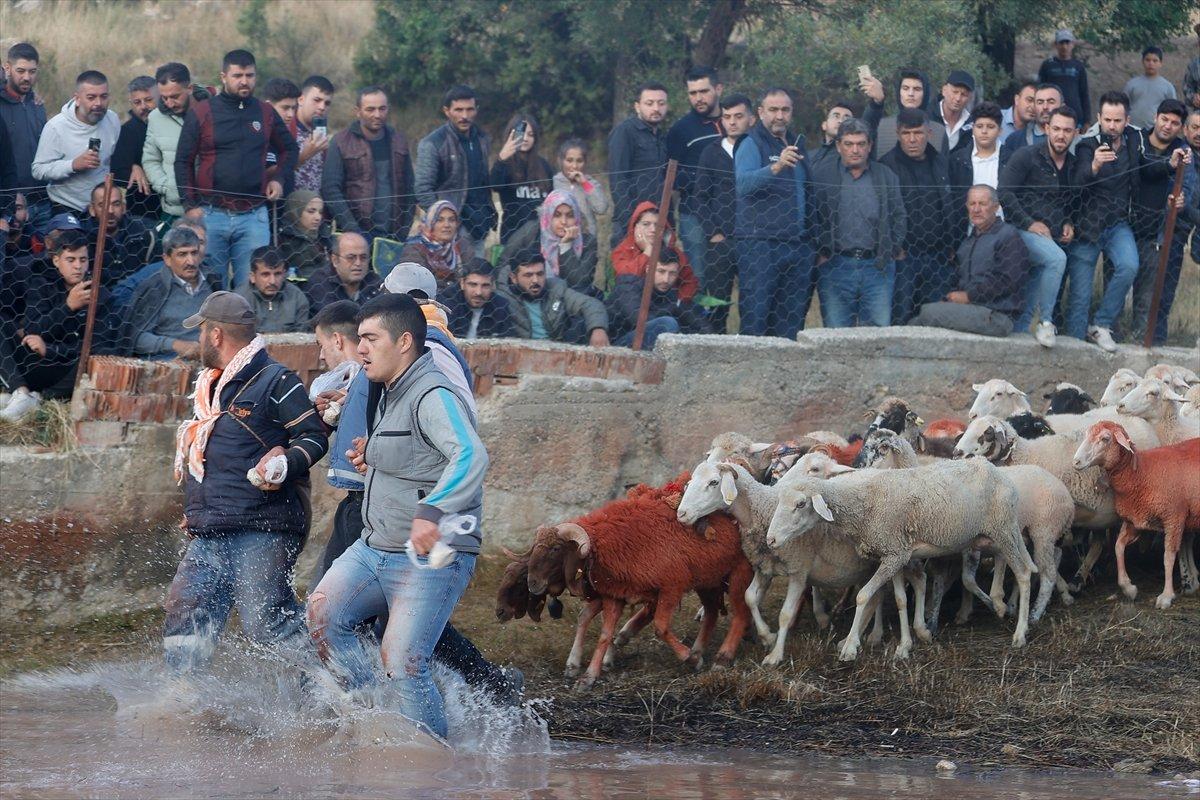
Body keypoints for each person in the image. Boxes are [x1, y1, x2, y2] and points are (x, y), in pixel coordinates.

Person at [307, 293, 487, 736]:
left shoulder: (432, 393)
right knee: (321, 614)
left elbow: (469, 455)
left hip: (430, 552)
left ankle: (426, 763)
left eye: (369, 338)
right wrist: (375, 457)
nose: (359, 348)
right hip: (375, 546)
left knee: (403, 661)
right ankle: (375, 717)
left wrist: (431, 511)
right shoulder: (389, 387)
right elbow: (417, 454)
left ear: (404, 341)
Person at [163, 290, 327, 674]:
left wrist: (285, 461)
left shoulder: (276, 380)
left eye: (202, 331)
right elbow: (212, 457)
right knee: (185, 608)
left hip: (264, 527)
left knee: (266, 624)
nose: (200, 339)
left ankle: (338, 694)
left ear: (215, 335)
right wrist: (197, 510)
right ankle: (184, 698)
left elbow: (314, 435)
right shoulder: (211, 389)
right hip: (214, 527)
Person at [175, 49, 298, 290]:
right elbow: (183, 161)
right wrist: (190, 206)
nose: (244, 81)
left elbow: (290, 149)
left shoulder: (265, 112)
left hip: (254, 215)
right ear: (224, 76)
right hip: (211, 214)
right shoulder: (202, 112)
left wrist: (279, 180)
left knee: (250, 288)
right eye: (237, 75)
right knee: (211, 284)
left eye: (249, 75)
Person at [0, 229, 110, 422]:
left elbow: (94, 346)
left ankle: (40, 400)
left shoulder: (100, 294)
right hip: (33, 361)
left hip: (64, 372)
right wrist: (67, 307)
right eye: (71, 260)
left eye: (83, 260)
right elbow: (32, 329)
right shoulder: (41, 283)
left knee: (93, 359)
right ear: (56, 261)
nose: (78, 266)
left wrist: (50, 350)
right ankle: (20, 391)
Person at [733, 87, 814, 338]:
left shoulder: (797, 144)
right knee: (756, 319)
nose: (780, 116)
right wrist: (776, 166)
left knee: (790, 323)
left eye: (785, 110)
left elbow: (807, 193)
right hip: (760, 245)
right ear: (760, 113)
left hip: (796, 245)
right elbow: (743, 185)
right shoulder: (750, 143)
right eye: (773, 110)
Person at [810, 118, 906, 328]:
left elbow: (899, 215)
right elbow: (812, 216)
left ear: (870, 146)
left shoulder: (885, 175)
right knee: (836, 335)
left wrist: (892, 248)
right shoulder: (822, 175)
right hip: (835, 265)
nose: (855, 150)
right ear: (838, 146)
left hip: (877, 267)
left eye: (861, 144)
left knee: (877, 335)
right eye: (849, 144)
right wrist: (820, 252)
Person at [1067, 91, 1142, 351]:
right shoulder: (1087, 145)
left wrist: (1172, 163)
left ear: (1127, 120)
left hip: (1118, 223)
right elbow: (1076, 184)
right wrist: (1095, 166)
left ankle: (1101, 324)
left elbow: (1153, 156)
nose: (1112, 126)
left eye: (1117, 120)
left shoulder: (1135, 139)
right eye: (1107, 120)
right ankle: (1074, 347)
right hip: (1088, 226)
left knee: (1129, 266)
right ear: (1099, 117)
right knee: (1080, 296)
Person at [999, 106, 1078, 347]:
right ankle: (1046, 323)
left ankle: (1022, 334)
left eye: (1067, 130)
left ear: (1075, 133)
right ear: (1046, 129)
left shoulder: (1073, 165)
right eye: (1056, 129)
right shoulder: (1027, 155)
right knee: (1056, 259)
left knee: (1035, 282)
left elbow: (1072, 202)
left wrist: (1068, 222)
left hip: (1049, 236)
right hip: (1018, 231)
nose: (1061, 135)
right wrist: (1029, 223)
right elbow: (1004, 192)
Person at [908, 185, 1029, 337]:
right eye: (972, 204)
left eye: (982, 204)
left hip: (997, 315)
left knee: (927, 313)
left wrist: (969, 296)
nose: (976, 209)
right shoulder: (967, 242)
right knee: (917, 321)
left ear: (996, 207)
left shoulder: (1008, 236)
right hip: (972, 310)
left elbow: (1009, 280)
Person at [880, 108, 956, 325]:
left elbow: (951, 204)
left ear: (929, 133)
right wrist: (895, 247)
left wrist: (950, 245)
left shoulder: (940, 162)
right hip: (904, 258)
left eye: (918, 133)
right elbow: (883, 212)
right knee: (900, 317)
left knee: (935, 319)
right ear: (897, 133)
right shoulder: (887, 166)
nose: (912, 140)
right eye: (906, 134)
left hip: (938, 257)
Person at [1129, 100, 1193, 345]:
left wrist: (1180, 199)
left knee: (1147, 293)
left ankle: (1139, 342)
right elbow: (1139, 169)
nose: (1168, 126)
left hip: (1155, 232)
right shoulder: (1138, 140)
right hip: (1127, 223)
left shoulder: (1183, 151)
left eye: (1175, 123)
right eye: (1165, 119)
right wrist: (1167, 164)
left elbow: (1185, 183)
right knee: (1118, 277)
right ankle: (1111, 333)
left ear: (1180, 127)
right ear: (1155, 117)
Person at [322, 86, 414, 243]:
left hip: (393, 236)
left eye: (382, 109)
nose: (377, 115)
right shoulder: (341, 142)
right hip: (355, 234)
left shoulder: (398, 140)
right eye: (370, 109)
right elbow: (331, 189)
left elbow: (410, 188)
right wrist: (353, 229)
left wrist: (404, 229)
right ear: (358, 111)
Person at [695, 93, 754, 332]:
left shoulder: (758, 149)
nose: (732, 122)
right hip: (721, 241)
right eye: (727, 116)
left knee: (752, 303)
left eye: (738, 116)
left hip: (754, 240)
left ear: (752, 118)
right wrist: (713, 233)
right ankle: (715, 348)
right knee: (717, 303)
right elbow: (700, 196)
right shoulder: (711, 152)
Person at [414, 85, 494, 248]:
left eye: (469, 109)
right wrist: (443, 220)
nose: (464, 116)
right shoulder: (433, 143)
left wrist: (489, 215)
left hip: (479, 224)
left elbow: (484, 183)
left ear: (476, 110)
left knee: (476, 272)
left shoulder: (482, 139)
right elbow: (422, 188)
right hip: (450, 228)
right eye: (458, 110)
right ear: (447, 111)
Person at [31, 70, 120, 216]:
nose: (98, 103)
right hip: (67, 207)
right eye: (91, 97)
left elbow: (112, 160)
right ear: (77, 98)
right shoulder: (56, 127)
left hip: (102, 209)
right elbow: (38, 170)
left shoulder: (112, 120)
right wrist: (73, 165)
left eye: (103, 97)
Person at [667, 66, 725, 283]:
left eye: (704, 91)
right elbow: (671, 179)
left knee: (723, 278)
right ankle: (697, 317)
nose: (698, 98)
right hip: (694, 215)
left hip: (732, 213)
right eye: (693, 93)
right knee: (697, 277)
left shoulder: (734, 121)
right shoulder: (681, 130)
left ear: (718, 89)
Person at [125, 225, 216, 359]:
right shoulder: (155, 288)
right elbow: (137, 339)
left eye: (194, 253)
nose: (190, 261)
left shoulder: (213, 283)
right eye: (182, 254)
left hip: (207, 361)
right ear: (167, 259)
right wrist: (175, 345)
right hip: (167, 362)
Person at [142, 62, 208, 224]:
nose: (169, 103)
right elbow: (150, 159)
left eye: (175, 97)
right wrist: (167, 187)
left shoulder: (213, 112)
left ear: (190, 89)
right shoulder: (155, 118)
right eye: (164, 98)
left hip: (212, 209)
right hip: (173, 210)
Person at [498, 251, 609, 346]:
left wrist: (598, 328)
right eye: (528, 275)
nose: (535, 280)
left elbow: (590, 304)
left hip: (557, 350)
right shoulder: (502, 298)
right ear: (513, 278)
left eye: (540, 274)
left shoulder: (556, 289)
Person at [607, 82, 669, 247]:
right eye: (649, 103)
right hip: (632, 221)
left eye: (661, 103)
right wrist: (630, 222)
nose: (656, 108)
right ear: (637, 106)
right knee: (631, 272)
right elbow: (617, 180)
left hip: (658, 221)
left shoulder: (661, 137)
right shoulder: (625, 132)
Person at [501, 190, 598, 295]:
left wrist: (566, 246)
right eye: (557, 215)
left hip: (569, 299)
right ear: (547, 216)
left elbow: (579, 282)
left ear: (577, 218)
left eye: (570, 216)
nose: (564, 222)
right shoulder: (531, 232)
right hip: (528, 296)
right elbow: (503, 264)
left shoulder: (587, 242)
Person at [607, 251, 712, 348]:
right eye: (661, 271)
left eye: (672, 273)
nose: (666, 279)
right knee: (668, 323)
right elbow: (639, 320)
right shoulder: (628, 288)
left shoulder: (671, 293)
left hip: (646, 344)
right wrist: (673, 310)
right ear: (648, 270)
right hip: (617, 345)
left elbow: (697, 321)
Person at [1, 43, 48, 232]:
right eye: (20, 71)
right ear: (7, 68)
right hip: (10, 203)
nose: (27, 77)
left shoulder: (38, 105)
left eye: (32, 71)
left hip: (42, 201)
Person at [112, 216, 207, 310]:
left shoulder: (211, 275)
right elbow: (121, 293)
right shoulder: (154, 274)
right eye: (184, 242)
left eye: (200, 242)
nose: (194, 246)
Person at [611, 201, 699, 301]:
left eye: (657, 225)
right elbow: (625, 278)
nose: (653, 229)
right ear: (635, 226)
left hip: (666, 305)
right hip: (633, 305)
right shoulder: (623, 250)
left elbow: (690, 281)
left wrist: (678, 301)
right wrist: (647, 252)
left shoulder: (673, 251)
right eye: (646, 224)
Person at [489, 113, 553, 244]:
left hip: (541, 236)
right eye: (521, 133)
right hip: (513, 236)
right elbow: (494, 186)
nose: (525, 138)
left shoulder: (544, 165)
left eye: (530, 135)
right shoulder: (505, 164)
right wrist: (501, 159)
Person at [860, 68, 947, 158]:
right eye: (905, 88)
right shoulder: (884, 127)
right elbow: (863, 134)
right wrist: (877, 102)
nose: (910, 93)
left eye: (917, 89)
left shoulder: (937, 131)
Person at [86, 182, 153, 289]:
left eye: (116, 204)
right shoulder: (83, 239)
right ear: (92, 210)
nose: (110, 211)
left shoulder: (143, 233)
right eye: (103, 205)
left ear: (124, 207)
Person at [110, 76, 160, 220]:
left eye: (148, 100)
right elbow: (117, 172)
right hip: (143, 210)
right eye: (137, 102)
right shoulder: (128, 131)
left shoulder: (172, 124)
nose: (143, 106)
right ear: (131, 103)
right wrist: (133, 167)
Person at [234, 246, 310, 333]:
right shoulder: (239, 300)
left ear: (285, 274)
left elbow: (301, 337)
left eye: (277, 274)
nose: (272, 281)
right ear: (252, 277)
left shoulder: (297, 298)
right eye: (265, 274)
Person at [399, 200, 470, 288]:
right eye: (440, 220)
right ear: (430, 222)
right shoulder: (415, 248)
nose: (447, 225)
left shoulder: (461, 246)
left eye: (451, 220)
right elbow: (417, 282)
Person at [306, 232, 382, 313]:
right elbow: (332, 320)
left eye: (363, 257)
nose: (358, 263)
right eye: (351, 258)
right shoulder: (320, 282)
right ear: (335, 260)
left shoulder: (375, 282)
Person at [441, 259, 512, 339]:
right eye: (473, 285)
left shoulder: (501, 307)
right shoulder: (447, 303)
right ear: (462, 284)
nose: (478, 292)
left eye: (485, 286)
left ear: (493, 286)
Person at [551, 139, 609, 237]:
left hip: (586, 239)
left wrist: (584, 183)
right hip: (559, 239)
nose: (574, 166)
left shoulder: (591, 183)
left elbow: (601, 208)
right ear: (560, 161)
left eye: (579, 161)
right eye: (569, 161)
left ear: (585, 162)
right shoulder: (554, 182)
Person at [1039, 29, 1090, 127]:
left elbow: (1084, 94)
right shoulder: (1048, 65)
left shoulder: (1078, 66)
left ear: (1073, 44)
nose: (1064, 46)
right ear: (1056, 44)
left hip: (1076, 116)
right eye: (1061, 43)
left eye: (1067, 42)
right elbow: (1040, 91)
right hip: (1052, 115)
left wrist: (1087, 120)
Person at [277, 189, 331, 281]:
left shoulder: (325, 236)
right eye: (311, 211)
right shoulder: (286, 240)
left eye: (320, 212)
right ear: (295, 211)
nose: (318, 217)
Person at [293, 75, 334, 193]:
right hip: (289, 207)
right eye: (317, 100)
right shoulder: (285, 129)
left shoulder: (324, 134)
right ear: (301, 100)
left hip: (318, 208)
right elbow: (274, 173)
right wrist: (305, 154)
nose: (322, 107)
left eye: (327, 103)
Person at [1124, 46, 1177, 131]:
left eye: (1155, 61)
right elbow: (1123, 106)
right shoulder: (1132, 84)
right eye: (1147, 60)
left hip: (1156, 131)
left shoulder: (1168, 87)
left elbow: (1173, 111)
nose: (1151, 63)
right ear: (1142, 61)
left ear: (1160, 63)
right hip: (1132, 129)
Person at [1003, 84, 1062, 152]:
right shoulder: (1015, 140)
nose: (1045, 107)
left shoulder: (1074, 139)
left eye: (1051, 102)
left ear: (1062, 105)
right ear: (1017, 99)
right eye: (1040, 102)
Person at [935, 70, 975, 153]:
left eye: (963, 94)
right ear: (944, 90)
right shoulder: (926, 117)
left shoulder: (972, 125)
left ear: (970, 98)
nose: (958, 98)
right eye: (955, 92)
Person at [812, 100, 855, 169]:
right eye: (836, 116)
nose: (841, 121)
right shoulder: (809, 156)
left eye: (847, 118)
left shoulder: (856, 155)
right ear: (824, 125)